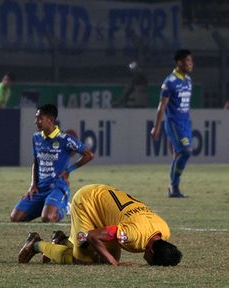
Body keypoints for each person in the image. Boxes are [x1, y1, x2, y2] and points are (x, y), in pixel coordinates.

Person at [18, 184, 183, 266]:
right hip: (88, 201)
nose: (148, 263)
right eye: (152, 262)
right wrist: (115, 264)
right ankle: (36, 244)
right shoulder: (132, 235)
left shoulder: (164, 229)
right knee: (82, 260)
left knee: (101, 259)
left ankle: (63, 241)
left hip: (106, 208)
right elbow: (93, 236)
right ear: (151, 250)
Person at [10, 104, 93, 223]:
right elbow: (36, 162)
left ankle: (66, 208)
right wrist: (33, 184)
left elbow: (89, 155)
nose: (36, 121)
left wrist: (68, 171)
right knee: (15, 218)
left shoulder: (65, 139)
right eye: (36, 118)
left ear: (50, 120)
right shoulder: (36, 137)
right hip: (40, 188)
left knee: (48, 218)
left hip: (57, 186)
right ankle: (46, 206)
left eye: (40, 118)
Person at [151, 49, 194, 198]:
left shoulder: (188, 80)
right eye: (188, 61)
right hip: (174, 123)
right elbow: (161, 106)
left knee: (179, 154)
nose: (191, 64)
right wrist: (156, 127)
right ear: (179, 62)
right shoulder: (170, 82)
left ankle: (174, 188)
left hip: (186, 123)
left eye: (191, 61)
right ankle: (174, 185)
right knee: (186, 151)